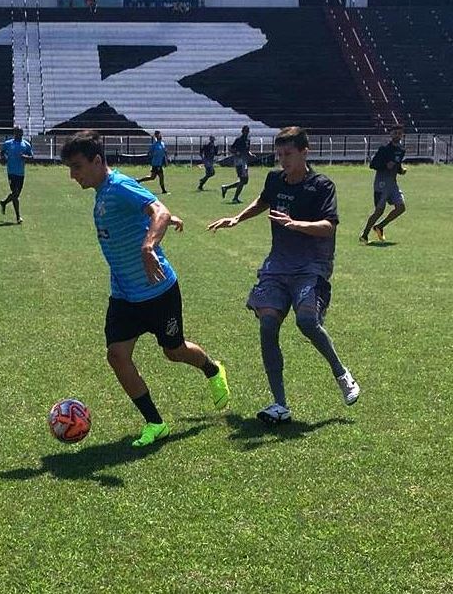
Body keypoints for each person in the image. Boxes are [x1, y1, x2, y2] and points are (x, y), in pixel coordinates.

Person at [61, 130, 229, 447]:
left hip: (157, 290)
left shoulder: (119, 185)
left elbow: (159, 210)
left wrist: (149, 244)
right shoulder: (104, 192)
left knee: (174, 351)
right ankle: (155, 422)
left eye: (77, 166)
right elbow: (147, 212)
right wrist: (155, 222)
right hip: (124, 294)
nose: (73, 175)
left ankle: (212, 369)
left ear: (97, 161)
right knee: (116, 355)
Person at [207, 126, 359, 425]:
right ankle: (280, 404)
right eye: (279, 154)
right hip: (277, 265)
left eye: (288, 154)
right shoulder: (275, 180)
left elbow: (329, 226)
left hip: (311, 266)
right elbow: (264, 200)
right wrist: (237, 218)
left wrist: (294, 224)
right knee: (267, 326)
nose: (283, 160)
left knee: (306, 321)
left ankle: (341, 374)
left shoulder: (322, 186)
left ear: (305, 151)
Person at [360, 126, 407, 243]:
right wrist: (385, 165)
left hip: (393, 183)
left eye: (399, 133)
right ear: (391, 135)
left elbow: (397, 164)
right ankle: (364, 235)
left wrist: (401, 170)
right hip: (381, 183)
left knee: (401, 207)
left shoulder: (401, 150)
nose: (397, 135)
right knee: (379, 211)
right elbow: (373, 165)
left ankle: (379, 226)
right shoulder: (384, 149)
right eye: (395, 133)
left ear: (402, 135)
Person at [0, 126, 33, 224]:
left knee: (16, 194)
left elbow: (31, 156)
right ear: (15, 133)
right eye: (18, 132)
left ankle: (4, 202)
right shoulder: (8, 144)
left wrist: (25, 156)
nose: (20, 134)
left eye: (21, 132)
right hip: (11, 172)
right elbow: (2, 152)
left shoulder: (26, 144)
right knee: (15, 193)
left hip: (21, 173)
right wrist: (3, 158)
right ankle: (18, 217)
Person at [221, 125, 252, 204]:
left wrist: (250, 154)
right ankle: (235, 198)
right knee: (243, 180)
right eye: (245, 130)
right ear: (242, 131)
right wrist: (236, 152)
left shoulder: (248, 140)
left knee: (245, 181)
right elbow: (231, 148)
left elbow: (247, 150)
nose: (247, 132)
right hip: (239, 161)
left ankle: (226, 187)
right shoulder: (239, 140)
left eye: (248, 131)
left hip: (244, 161)